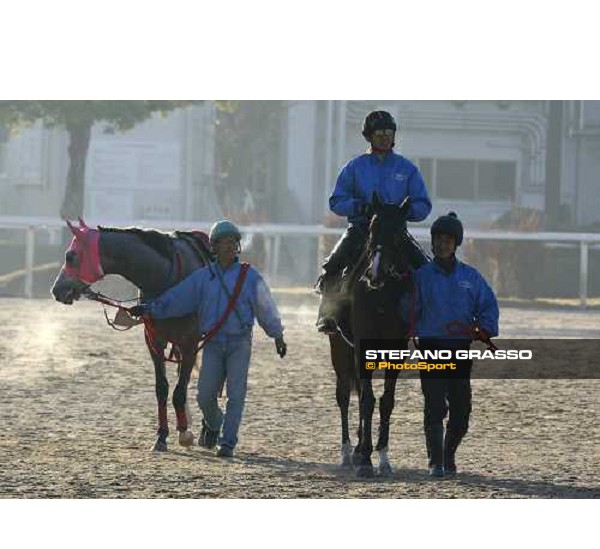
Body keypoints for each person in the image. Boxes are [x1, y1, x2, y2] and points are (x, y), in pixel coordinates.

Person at [130, 220, 287, 458]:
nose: (229, 247)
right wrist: (150, 309)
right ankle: (214, 424)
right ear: (214, 247)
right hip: (212, 344)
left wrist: (277, 334)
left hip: (239, 343)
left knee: (236, 394)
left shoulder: (250, 276)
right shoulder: (203, 277)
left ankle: (227, 443)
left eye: (233, 242)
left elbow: (265, 307)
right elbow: (178, 299)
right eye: (223, 242)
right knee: (204, 396)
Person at [315, 110, 432, 334]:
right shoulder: (354, 167)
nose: (385, 137)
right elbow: (336, 201)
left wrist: (404, 212)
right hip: (360, 229)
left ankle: (431, 317)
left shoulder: (407, 169)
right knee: (333, 265)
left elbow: (424, 205)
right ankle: (328, 314)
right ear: (368, 136)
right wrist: (359, 206)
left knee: (426, 269)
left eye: (389, 132)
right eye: (379, 133)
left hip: (396, 233)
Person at [413, 212, 499, 477]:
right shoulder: (421, 277)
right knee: (435, 406)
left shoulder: (471, 278)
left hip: (460, 350)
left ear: (456, 243)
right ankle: (435, 462)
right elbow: (408, 309)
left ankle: (448, 455)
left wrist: (484, 328)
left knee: (462, 411)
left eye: (447, 240)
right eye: (438, 239)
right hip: (430, 348)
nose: (441, 244)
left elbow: (487, 306)